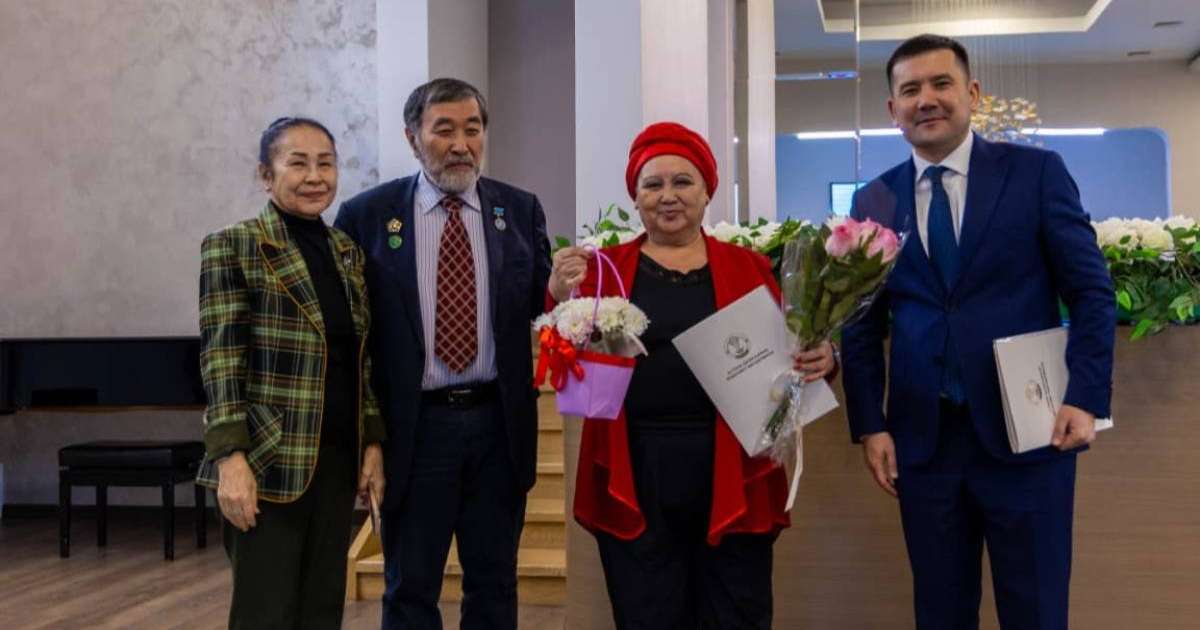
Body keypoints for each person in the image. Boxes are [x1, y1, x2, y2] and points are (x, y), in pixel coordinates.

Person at [841, 34, 1115, 629]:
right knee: (940, 612)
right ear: (892, 109)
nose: (926, 100)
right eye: (910, 90)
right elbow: (860, 323)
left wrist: (1085, 396)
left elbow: (1092, 292)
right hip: (924, 444)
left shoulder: (1035, 174)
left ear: (972, 93)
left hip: (1031, 436)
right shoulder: (874, 199)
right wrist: (870, 424)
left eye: (941, 84)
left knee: (1036, 609)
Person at [549, 121, 837, 629]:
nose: (668, 195)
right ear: (635, 198)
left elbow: (792, 349)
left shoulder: (750, 267)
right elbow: (565, 362)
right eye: (652, 184)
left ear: (707, 192)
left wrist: (824, 356)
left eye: (683, 182)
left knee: (736, 610)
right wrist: (557, 295)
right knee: (647, 612)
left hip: (732, 464)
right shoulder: (604, 269)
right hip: (637, 464)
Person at [334, 78, 552, 630]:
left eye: (472, 130)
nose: (461, 144)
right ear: (413, 138)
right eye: (444, 130)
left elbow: (543, 305)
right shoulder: (366, 217)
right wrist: (367, 437)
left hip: (498, 427)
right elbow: (351, 339)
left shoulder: (518, 210)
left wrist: (567, 291)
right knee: (410, 588)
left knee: (495, 584)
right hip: (415, 430)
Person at [195, 116, 386, 629]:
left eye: (326, 163)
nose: (315, 177)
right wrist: (230, 458)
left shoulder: (347, 253)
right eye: (297, 163)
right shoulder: (234, 246)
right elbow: (221, 360)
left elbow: (361, 359)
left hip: (336, 462)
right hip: (266, 463)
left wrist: (371, 443)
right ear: (266, 174)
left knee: (322, 611)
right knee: (266, 613)